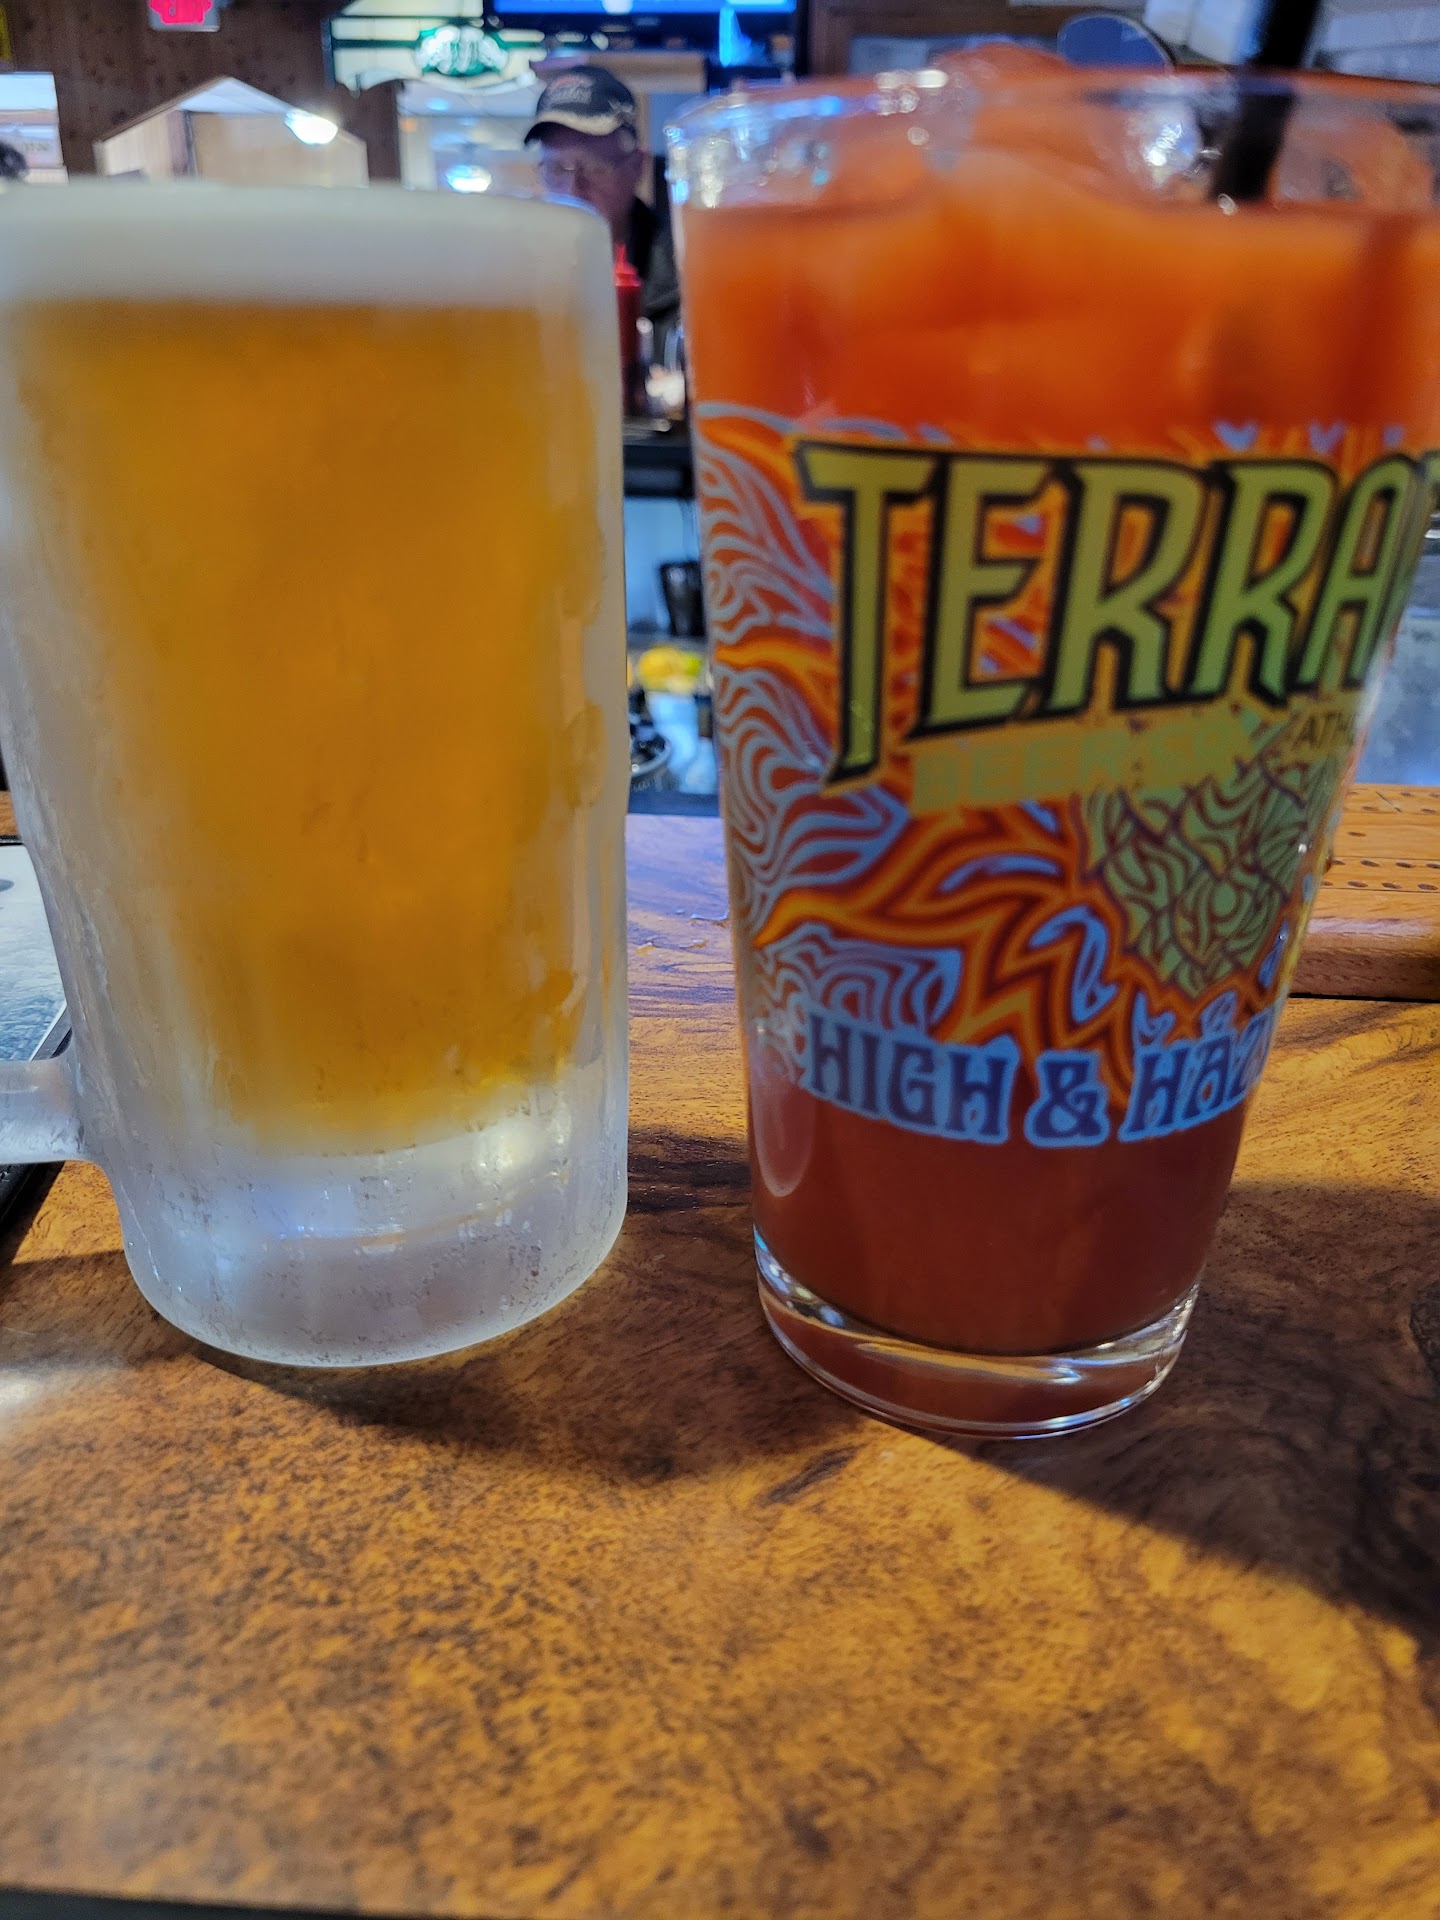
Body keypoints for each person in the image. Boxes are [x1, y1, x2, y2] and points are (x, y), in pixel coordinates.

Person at [525, 66, 680, 357]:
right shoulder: (516, 277)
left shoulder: (685, 272)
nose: (573, 190)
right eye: (556, 169)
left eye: (594, 168)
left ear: (637, 167)